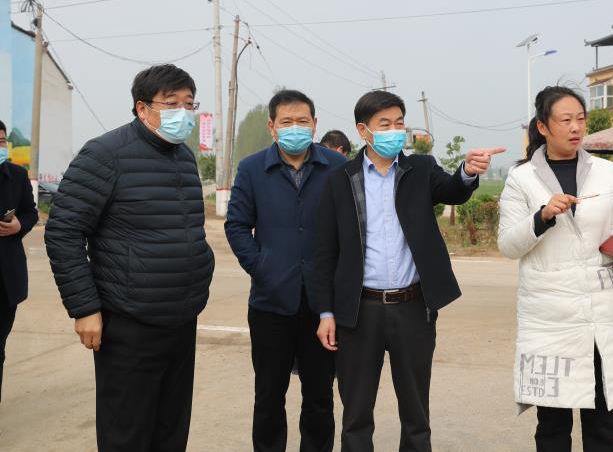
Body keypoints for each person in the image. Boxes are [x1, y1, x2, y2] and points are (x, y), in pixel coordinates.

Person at [311, 90, 503, 452]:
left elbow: (452, 190)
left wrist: (467, 171)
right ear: (363, 131)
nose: (394, 131)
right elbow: (324, 252)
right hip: (358, 311)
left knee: (416, 414)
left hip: (413, 307)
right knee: (356, 414)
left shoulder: (421, 169)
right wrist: (325, 312)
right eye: (384, 124)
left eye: (399, 123)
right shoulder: (340, 179)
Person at [44, 64, 214, 452]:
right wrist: (85, 308)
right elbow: (64, 231)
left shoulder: (184, 158)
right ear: (142, 108)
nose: (183, 112)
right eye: (171, 103)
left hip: (181, 318)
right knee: (128, 432)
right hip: (129, 322)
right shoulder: (105, 154)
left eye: (189, 104)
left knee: (171, 429)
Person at [497, 86, 613, 452]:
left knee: (603, 423)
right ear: (543, 127)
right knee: (552, 425)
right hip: (549, 318)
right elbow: (508, 244)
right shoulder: (521, 178)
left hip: (601, 314)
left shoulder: (608, 172)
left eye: (581, 119)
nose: (575, 127)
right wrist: (541, 217)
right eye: (565, 120)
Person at [225, 89, 346, 452]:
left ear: (315, 124)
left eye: (302, 121)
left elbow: (349, 226)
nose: (295, 128)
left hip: (322, 304)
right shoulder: (252, 168)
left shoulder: (336, 166)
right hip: (270, 302)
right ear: (272, 127)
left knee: (320, 396)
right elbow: (236, 226)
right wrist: (262, 266)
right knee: (268, 396)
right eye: (287, 121)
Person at [0, 120, 38, 405]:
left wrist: (19, 225)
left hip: (5, 280)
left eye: (2, 141)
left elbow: (30, 211)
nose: (0, 146)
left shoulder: (16, 175)